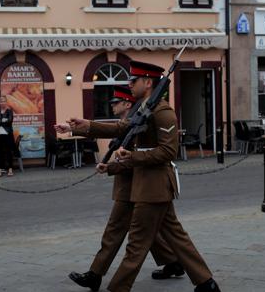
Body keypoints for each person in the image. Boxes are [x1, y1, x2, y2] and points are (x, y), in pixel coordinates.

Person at [64, 61, 221, 292]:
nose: (129, 84)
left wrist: (132, 157)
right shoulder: (142, 108)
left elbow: (169, 152)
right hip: (146, 186)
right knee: (176, 237)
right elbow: (120, 129)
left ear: (148, 82)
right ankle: (206, 282)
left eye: (134, 80)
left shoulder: (163, 112)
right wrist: (84, 126)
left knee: (137, 244)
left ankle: (119, 287)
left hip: (154, 186)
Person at [57, 86, 183, 291]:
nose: (113, 106)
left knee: (132, 230)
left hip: (140, 179)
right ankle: (174, 262)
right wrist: (73, 129)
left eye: (116, 102)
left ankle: (99, 276)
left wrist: (113, 167)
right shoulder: (137, 115)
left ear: (127, 103)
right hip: (131, 180)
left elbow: (145, 148)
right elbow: (113, 128)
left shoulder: (146, 114)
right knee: (150, 228)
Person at [0, 96, 15, 177]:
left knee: (9, 152)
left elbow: (9, 121)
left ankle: (10, 169)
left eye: (4, 101)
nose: (2, 103)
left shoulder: (10, 112)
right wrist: (3, 120)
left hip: (8, 135)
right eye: (1, 101)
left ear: (6, 102)